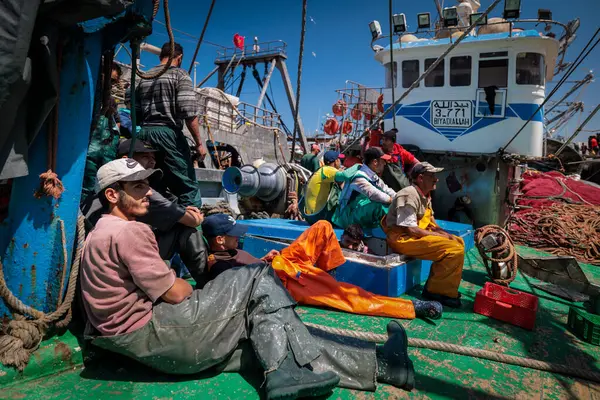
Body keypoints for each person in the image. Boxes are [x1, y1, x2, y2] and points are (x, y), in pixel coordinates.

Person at [81, 161, 418, 399]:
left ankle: (384, 366)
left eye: (147, 185)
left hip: (129, 345)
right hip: (155, 332)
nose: (148, 193)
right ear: (113, 195)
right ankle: (284, 371)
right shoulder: (130, 231)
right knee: (257, 275)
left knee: (269, 337)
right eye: (138, 186)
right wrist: (179, 281)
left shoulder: (99, 231)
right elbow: (177, 294)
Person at [204, 214, 442, 321]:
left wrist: (264, 258)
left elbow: (250, 267)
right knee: (351, 297)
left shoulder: (233, 251)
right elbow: (245, 289)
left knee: (322, 227)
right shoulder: (219, 267)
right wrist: (270, 267)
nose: (238, 238)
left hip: (280, 265)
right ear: (219, 240)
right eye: (232, 235)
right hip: (284, 282)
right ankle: (412, 307)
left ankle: (327, 275)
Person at [81, 141, 207, 283]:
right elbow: (192, 220)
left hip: (106, 265)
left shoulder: (98, 191)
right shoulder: (132, 194)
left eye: (154, 158)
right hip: (120, 269)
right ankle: (203, 280)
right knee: (184, 227)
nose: (152, 162)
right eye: (146, 156)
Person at [135, 42, 207, 207]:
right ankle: (193, 230)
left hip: (144, 134)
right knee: (187, 186)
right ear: (179, 57)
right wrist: (199, 143)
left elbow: (134, 110)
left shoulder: (143, 77)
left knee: (152, 183)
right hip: (168, 134)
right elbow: (188, 111)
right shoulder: (180, 75)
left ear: (161, 55)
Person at [383, 162, 465, 308]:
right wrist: (443, 237)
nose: (436, 179)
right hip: (402, 239)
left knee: (459, 242)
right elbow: (411, 230)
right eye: (432, 176)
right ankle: (436, 291)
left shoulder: (425, 195)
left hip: (415, 235)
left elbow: (432, 222)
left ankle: (442, 287)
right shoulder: (409, 195)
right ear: (420, 178)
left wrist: (446, 234)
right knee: (453, 249)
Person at [332, 147, 396, 229]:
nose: (385, 163)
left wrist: (398, 197)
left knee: (387, 203)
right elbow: (375, 194)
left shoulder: (372, 175)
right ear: (375, 162)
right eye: (383, 161)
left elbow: (386, 189)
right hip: (347, 216)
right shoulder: (359, 177)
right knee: (379, 205)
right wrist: (393, 200)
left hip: (357, 208)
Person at [301, 150, 345, 224]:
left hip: (310, 215)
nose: (340, 162)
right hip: (317, 217)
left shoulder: (321, 170)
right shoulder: (328, 170)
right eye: (339, 160)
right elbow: (345, 177)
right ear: (336, 161)